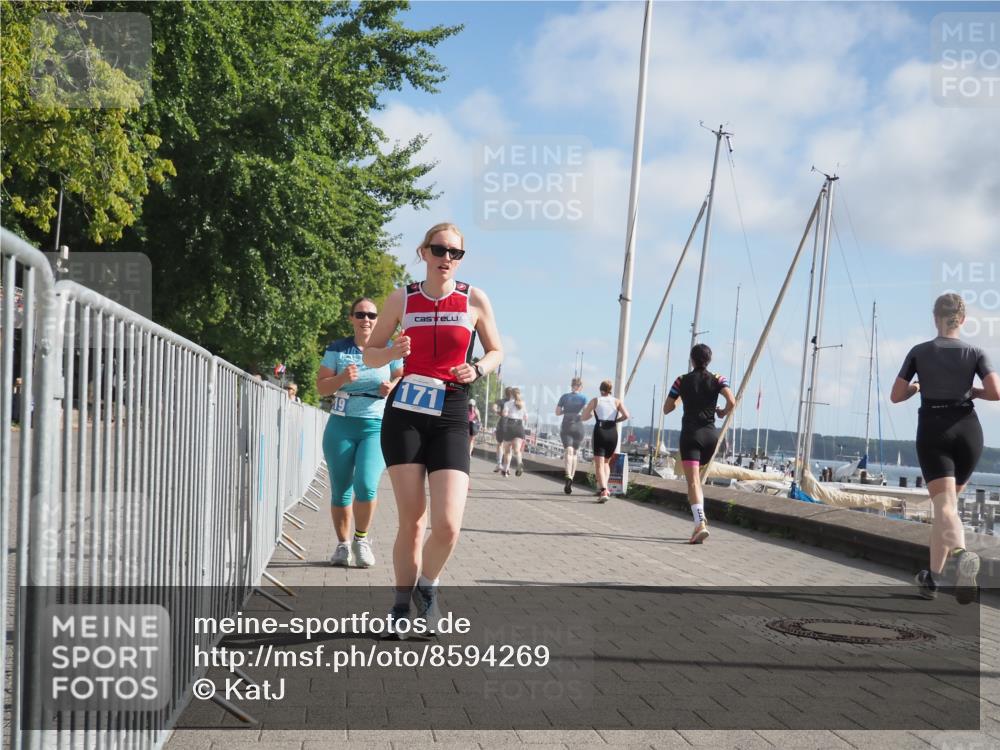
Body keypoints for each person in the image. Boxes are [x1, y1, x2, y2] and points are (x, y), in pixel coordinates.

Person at [363, 222, 502, 636]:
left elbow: (497, 351)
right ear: (423, 252)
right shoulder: (401, 298)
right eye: (439, 250)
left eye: (455, 253)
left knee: (448, 525)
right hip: (406, 409)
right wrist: (391, 351)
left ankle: (429, 586)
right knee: (413, 520)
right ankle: (401, 607)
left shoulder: (473, 299)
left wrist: (476, 368)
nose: (446, 259)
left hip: (453, 409)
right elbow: (371, 355)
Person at [891, 293, 999, 603]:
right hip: (969, 432)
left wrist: (918, 386)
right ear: (962, 320)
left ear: (935, 318)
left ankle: (962, 555)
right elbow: (995, 392)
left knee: (945, 507)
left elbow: (896, 395)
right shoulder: (975, 352)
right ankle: (932, 578)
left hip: (934, 430)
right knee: (944, 510)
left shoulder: (920, 352)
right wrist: (971, 391)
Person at [316, 298, 403, 568]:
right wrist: (341, 379)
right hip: (341, 424)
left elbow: (402, 375)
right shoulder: (337, 349)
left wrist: (393, 386)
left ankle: (361, 539)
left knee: (366, 485)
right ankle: (342, 546)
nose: (366, 319)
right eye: (360, 314)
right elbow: (321, 388)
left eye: (371, 315)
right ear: (351, 318)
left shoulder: (388, 349)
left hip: (375, 426)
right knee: (341, 489)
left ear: (378, 320)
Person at [663, 344, 735, 544]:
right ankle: (700, 515)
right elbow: (732, 401)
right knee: (698, 480)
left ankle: (699, 523)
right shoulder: (718, 379)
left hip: (690, 436)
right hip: (711, 437)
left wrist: (680, 400)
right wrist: (722, 412)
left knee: (693, 482)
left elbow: (666, 408)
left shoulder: (681, 380)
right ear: (709, 360)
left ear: (692, 360)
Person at [580, 380, 630, 503]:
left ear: (600, 389)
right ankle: (605, 488)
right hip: (612, 432)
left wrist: (590, 414)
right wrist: (616, 421)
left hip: (600, 432)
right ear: (610, 390)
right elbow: (626, 415)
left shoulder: (595, 400)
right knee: (606, 463)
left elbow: (584, 417)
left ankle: (603, 490)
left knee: (599, 464)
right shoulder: (617, 401)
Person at [556, 377, 587, 494]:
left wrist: (566, 411)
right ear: (581, 387)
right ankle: (571, 478)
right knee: (575, 453)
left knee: (568, 451)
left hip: (566, 425)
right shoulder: (584, 398)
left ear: (572, 385)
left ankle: (568, 475)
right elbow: (585, 413)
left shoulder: (564, 397)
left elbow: (557, 412)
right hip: (578, 426)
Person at [500, 387, 527, 477]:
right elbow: (526, 417)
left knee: (507, 451)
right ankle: (519, 462)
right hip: (519, 427)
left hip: (510, 426)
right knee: (517, 450)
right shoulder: (523, 404)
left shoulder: (508, 403)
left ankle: (505, 469)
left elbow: (504, 414)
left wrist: (503, 412)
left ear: (511, 394)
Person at [492, 387, 512, 472]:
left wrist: (498, 412)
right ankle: (506, 467)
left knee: (500, 444)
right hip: (512, 425)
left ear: (505, 393)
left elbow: (494, 408)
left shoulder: (501, 401)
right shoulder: (515, 403)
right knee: (508, 447)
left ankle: (499, 464)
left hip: (502, 423)